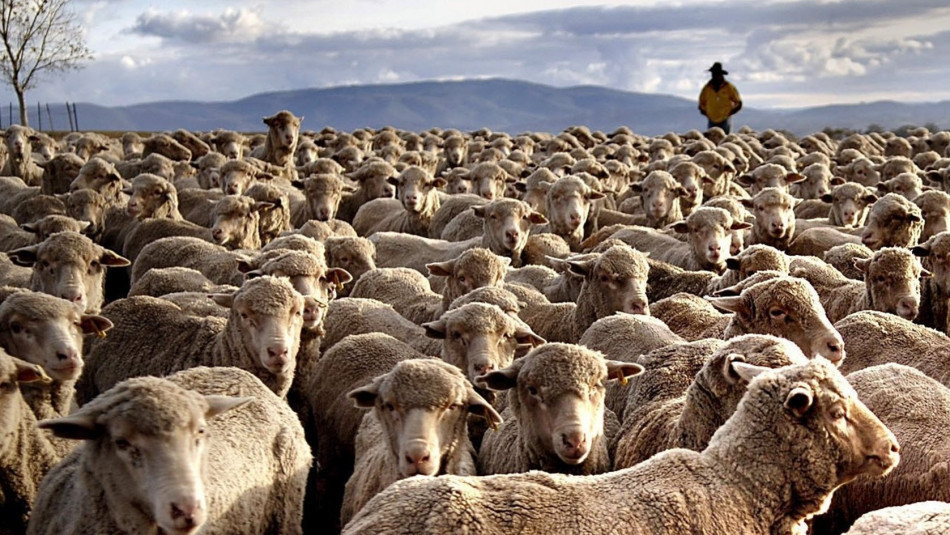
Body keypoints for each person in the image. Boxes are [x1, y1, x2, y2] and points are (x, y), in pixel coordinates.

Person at [698, 62, 742, 134]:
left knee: (725, 140)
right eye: (713, 73)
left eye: (716, 73)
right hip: (712, 120)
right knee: (711, 141)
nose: (714, 75)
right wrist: (707, 113)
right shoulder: (707, 88)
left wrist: (729, 113)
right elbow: (701, 103)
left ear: (721, 74)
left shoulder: (728, 87)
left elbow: (738, 102)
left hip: (725, 119)